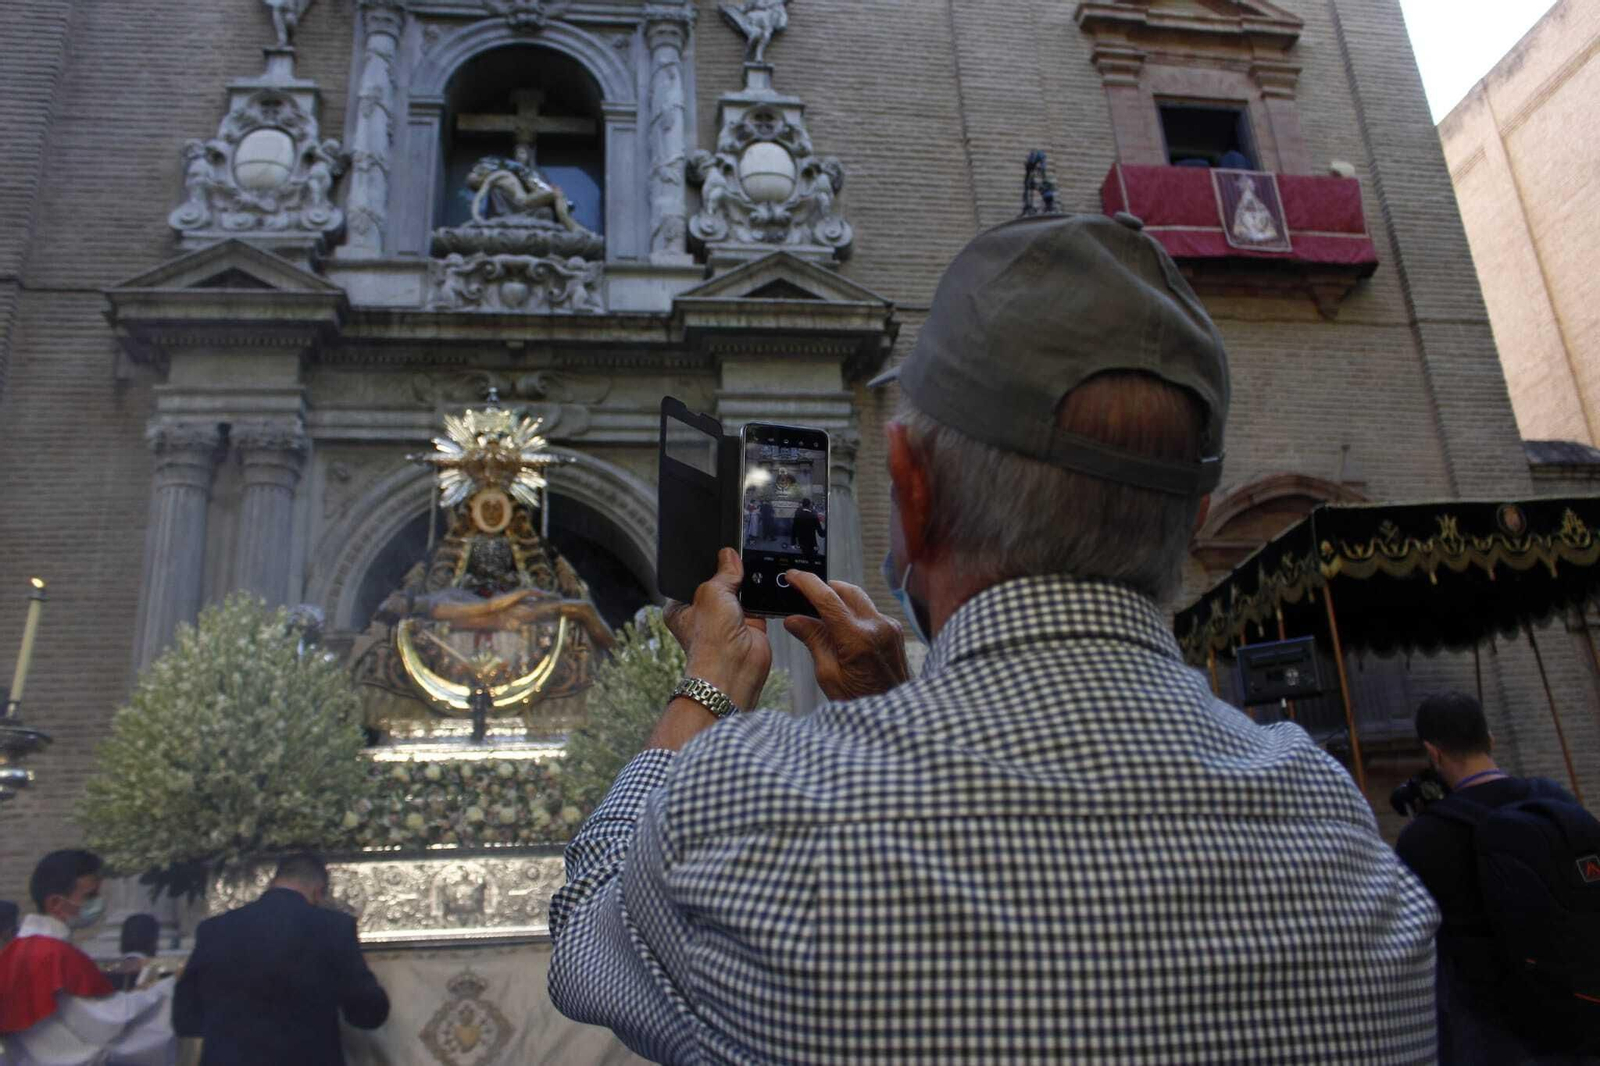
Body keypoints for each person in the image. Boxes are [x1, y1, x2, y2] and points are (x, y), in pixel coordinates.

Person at [548, 213, 1438, 1062]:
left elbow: (588, 933)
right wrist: (897, 708)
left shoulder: (752, 804)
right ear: (1196, 515)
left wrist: (706, 684)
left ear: (911, 490)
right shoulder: (1338, 823)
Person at [1395, 692, 1599, 1064]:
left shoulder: (1422, 838)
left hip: (1493, 1032)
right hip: (1578, 1011)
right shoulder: (1554, 800)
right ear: (1490, 738)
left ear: (1433, 753)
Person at [174, 851, 389, 1066]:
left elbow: (185, 1018)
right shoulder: (333, 928)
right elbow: (367, 1012)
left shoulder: (214, 929)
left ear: (273, 882)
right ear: (318, 891)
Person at [0, 850, 177, 1066]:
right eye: (90, 896)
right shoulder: (55, 955)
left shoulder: (14, 953)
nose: (98, 903)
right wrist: (166, 989)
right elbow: (106, 1022)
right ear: (55, 903)